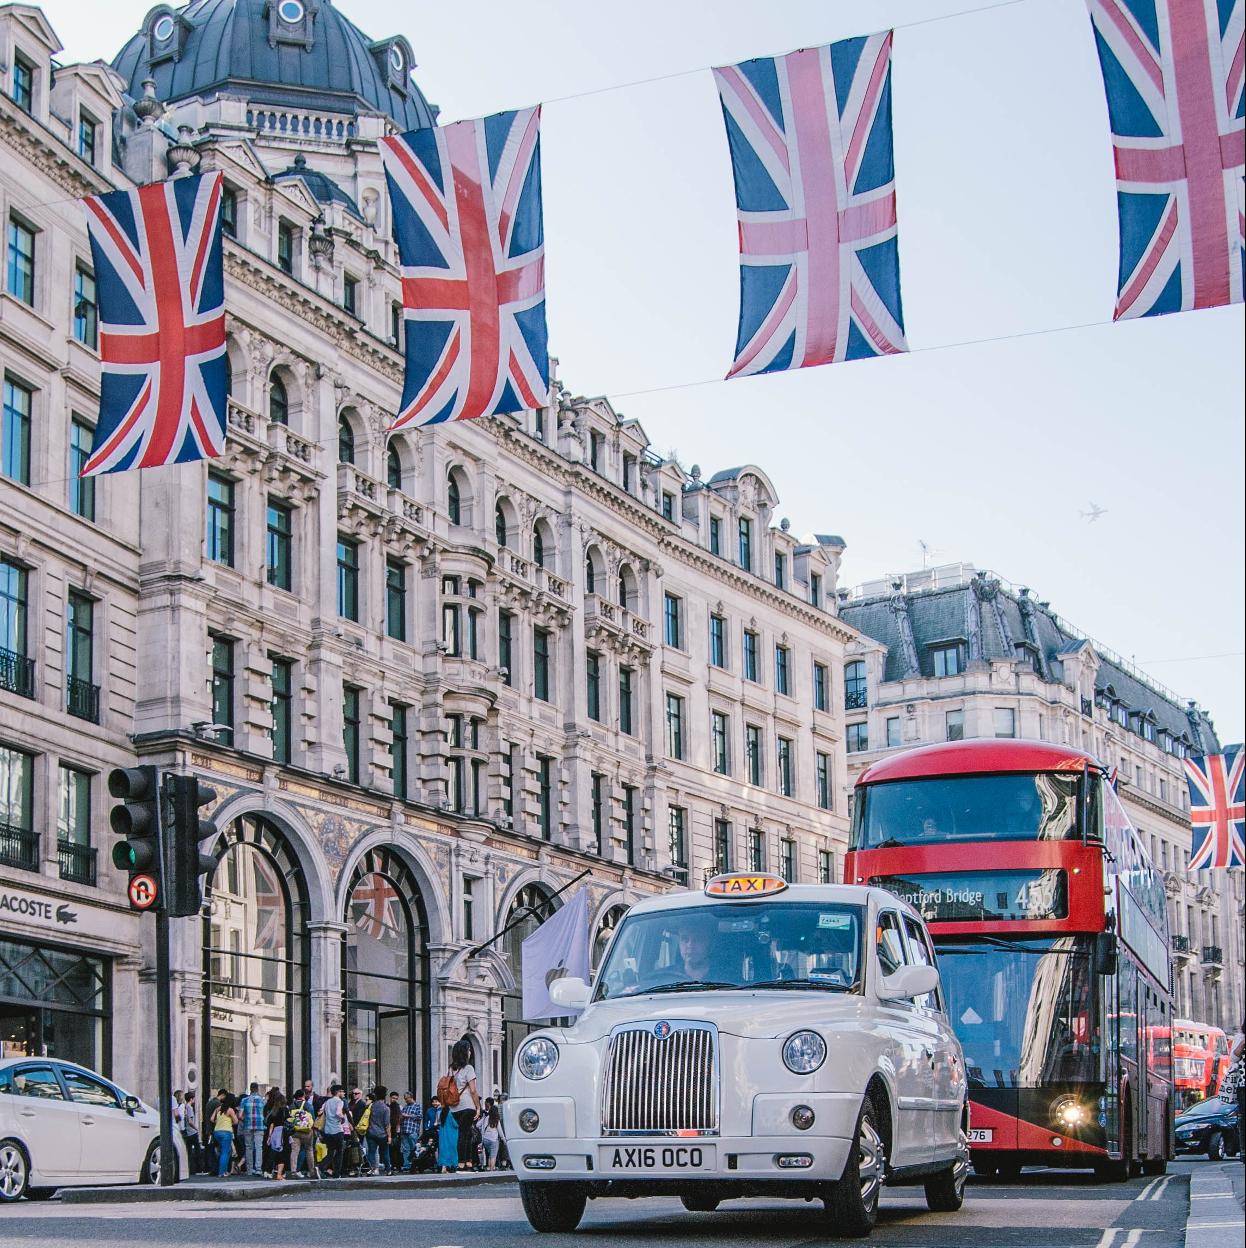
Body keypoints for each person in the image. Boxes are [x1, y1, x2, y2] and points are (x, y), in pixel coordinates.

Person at [444, 1039, 482, 1171]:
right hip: (467, 1105)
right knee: (465, 1134)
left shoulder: (451, 1069)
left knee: (466, 1134)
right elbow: (473, 1090)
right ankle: (462, 1164)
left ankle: (467, 1162)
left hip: (454, 1107)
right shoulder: (469, 1068)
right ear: (465, 1053)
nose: (470, 1052)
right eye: (469, 1050)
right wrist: (478, 1107)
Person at [287, 1089, 318, 1179]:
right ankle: (311, 1171)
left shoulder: (291, 1106)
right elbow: (313, 1118)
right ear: (303, 1096)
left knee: (294, 1151)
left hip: (295, 1131)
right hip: (307, 1131)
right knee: (309, 1150)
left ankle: (293, 1171)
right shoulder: (308, 1105)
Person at [238, 1081, 265, 1177]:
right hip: (260, 1126)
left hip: (248, 1126)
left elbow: (240, 1115)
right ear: (257, 1089)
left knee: (249, 1147)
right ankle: (258, 1169)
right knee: (259, 1147)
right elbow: (265, 1114)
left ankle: (249, 1169)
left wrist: (246, 1119)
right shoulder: (262, 1100)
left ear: (250, 1089)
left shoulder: (244, 1100)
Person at [209, 1089, 238, 1179]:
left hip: (217, 1131)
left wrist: (219, 1122)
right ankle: (222, 1172)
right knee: (225, 1152)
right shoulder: (230, 1110)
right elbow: (236, 1121)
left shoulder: (218, 1108)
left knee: (226, 1151)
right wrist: (229, 1123)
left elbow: (211, 1119)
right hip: (226, 1132)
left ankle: (224, 1170)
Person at [320, 1083, 347, 1178]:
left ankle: (321, 1166)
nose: (343, 1093)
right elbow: (338, 1113)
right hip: (337, 1129)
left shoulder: (327, 1102)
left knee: (331, 1151)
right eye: (342, 1091)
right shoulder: (340, 1101)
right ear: (337, 1092)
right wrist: (343, 1118)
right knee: (340, 1152)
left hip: (328, 1130)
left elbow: (320, 1111)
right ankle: (336, 1173)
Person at [364, 1087, 391, 1175]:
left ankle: (373, 1169)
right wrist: (389, 1136)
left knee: (371, 1151)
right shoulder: (386, 1108)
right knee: (385, 1152)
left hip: (371, 1132)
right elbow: (387, 1124)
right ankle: (388, 1170)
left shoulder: (371, 1106)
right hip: (382, 1134)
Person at [265, 1090, 289, 1181]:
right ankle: (279, 1173)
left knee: (273, 1152)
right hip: (283, 1132)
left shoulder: (274, 1111)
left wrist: (269, 1137)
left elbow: (271, 1125)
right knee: (282, 1154)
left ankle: (269, 1171)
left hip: (275, 1132)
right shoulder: (285, 1110)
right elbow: (288, 1121)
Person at [398, 1092, 422, 1172]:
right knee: (405, 1149)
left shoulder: (417, 1106)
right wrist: (401, 1117)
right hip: (404, 1130)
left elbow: (419, 1116)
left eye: (407, 1098)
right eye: (405, 1099)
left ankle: (414, 1165)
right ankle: (406, 1165)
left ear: (411, 1097)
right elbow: (401, 1117)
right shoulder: (405, 1107)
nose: (406, 1100)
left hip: (412, 1130)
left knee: (413, 1148)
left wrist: (407, 1116)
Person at [180, 1089, 202, 1175]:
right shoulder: (189, 1108)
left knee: (188, 1151)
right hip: (192, 1132)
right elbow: (190, 1121)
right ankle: (197, 1169)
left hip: (187, 1132)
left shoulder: (184, 1107)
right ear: (191, 1099)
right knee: (197, 1151)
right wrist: (196, 1128)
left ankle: (189, 1168)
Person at [436, 1100, 459, 1173]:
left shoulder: (442, 1113)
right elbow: (456, 1124)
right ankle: (452, 1166)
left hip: (443, 1134)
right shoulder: (451, 1113)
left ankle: (443, 1166)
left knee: (444, 1150)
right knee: (453, 1149)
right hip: (452, 1134)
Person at [480, 1102, 502, 1170]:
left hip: (485, 1139)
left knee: (490, 1155)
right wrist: (504, 1139)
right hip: (493, 1139)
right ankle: (492, 1170)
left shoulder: (486, 1118)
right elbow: (500, 1131)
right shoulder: (496, 1119)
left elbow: (478, 1125)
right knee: (493, 1156)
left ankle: (489, 1168)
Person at [387, 1091, 403, 1172]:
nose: (394, 1100)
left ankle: (396, 1165)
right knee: (393, 1149)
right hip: (391, 1130)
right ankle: (394, 1165)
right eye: (393, 1098)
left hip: (396, 1130)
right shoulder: (387, 1106)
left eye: (396, 1099)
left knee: (396, 1149)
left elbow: (400, 1120)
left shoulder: (399, 1107)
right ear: (390, 1098)